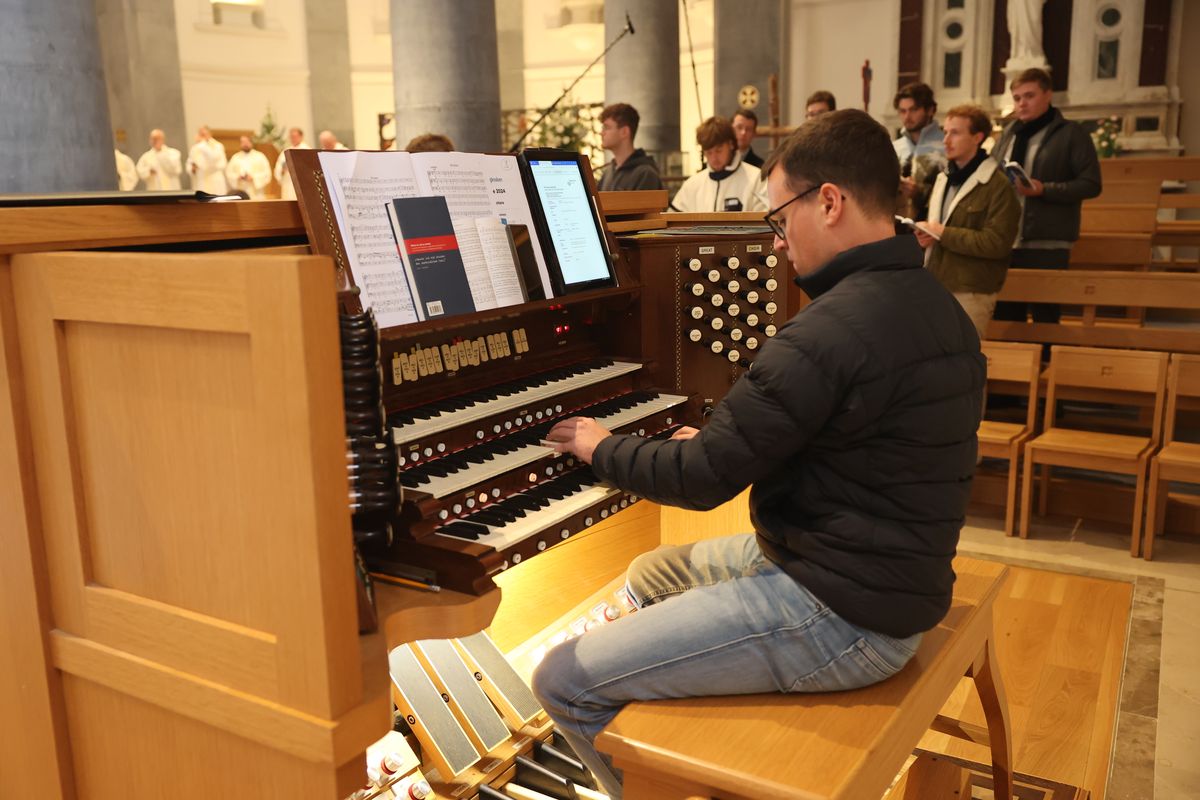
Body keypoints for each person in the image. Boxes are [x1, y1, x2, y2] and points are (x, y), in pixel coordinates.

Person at [535, 109, 985, 800]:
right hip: (882, 570)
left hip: (843, 613)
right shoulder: (935, 305)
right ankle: (664, 719)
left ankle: (656, 775)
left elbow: (700, 481)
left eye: (779, 218)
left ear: (829, 202)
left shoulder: (828, 331)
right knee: (650, 573)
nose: (776, 242)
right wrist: (727, 445)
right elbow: (872, 448)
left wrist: (601, 445)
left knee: (562, 679)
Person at [991, 68, 1102, 326]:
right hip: (1006, 238)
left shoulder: (1071, 133)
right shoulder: (1009, 134)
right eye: (1017, 98)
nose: (1022, 103)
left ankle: (1047, 353)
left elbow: (1091, 184)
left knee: (1045, 319)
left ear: (1048, 95)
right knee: (1006, 318)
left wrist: (1044, 189)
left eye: (1029, 96)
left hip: (1047, 241)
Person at [915, 104, 1020, 339]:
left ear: (977, 137)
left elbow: (997, 243)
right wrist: (928, 235)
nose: (946, 140)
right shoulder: (943, 178)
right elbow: (939, 228)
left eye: (955, 133)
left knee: (965, 354)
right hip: (935, 282)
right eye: (945, 132)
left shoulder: (997, 185)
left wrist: (943, 233)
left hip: (971, 290)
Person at [669, 116, 768, 213]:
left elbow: (765, 218)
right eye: (709, 152)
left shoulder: (756, 179)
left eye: (719, 150)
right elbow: (673, 219)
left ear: (731, 144)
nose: (714, 158)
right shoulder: (692, 185)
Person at [892, 82, 945, 221]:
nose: (907, 116)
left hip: (931, 224)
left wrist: (919, 193)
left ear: (930, 110)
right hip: (895, 224)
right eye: (902, 111)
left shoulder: (947, 147)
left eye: (913, 110)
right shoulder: (894, 148)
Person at [596, 103, 663, 192]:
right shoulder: (608, 173)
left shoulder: (646, 174)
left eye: (607, 128)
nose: (601, 133)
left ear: (624, 132)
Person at [186, 126, 228, 195]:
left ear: (210, 134)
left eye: (204, 134)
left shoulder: (217, 146)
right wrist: (192, 168)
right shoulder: (195, 147)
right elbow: (190, 161)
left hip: (214, 179)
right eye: (200, 134)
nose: (202, 137)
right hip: (201, 180)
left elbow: (214, 159)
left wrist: (202, 144)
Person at [274, 127, 310, 201]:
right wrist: (282, 171)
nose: (293, 139)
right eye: (291, 137)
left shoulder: (306, 150)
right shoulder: (285, 151)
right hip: (287, 183)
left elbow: (309, 168)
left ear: (301, 137)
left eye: (295, 136)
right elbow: (278, 167)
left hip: (301, 184)